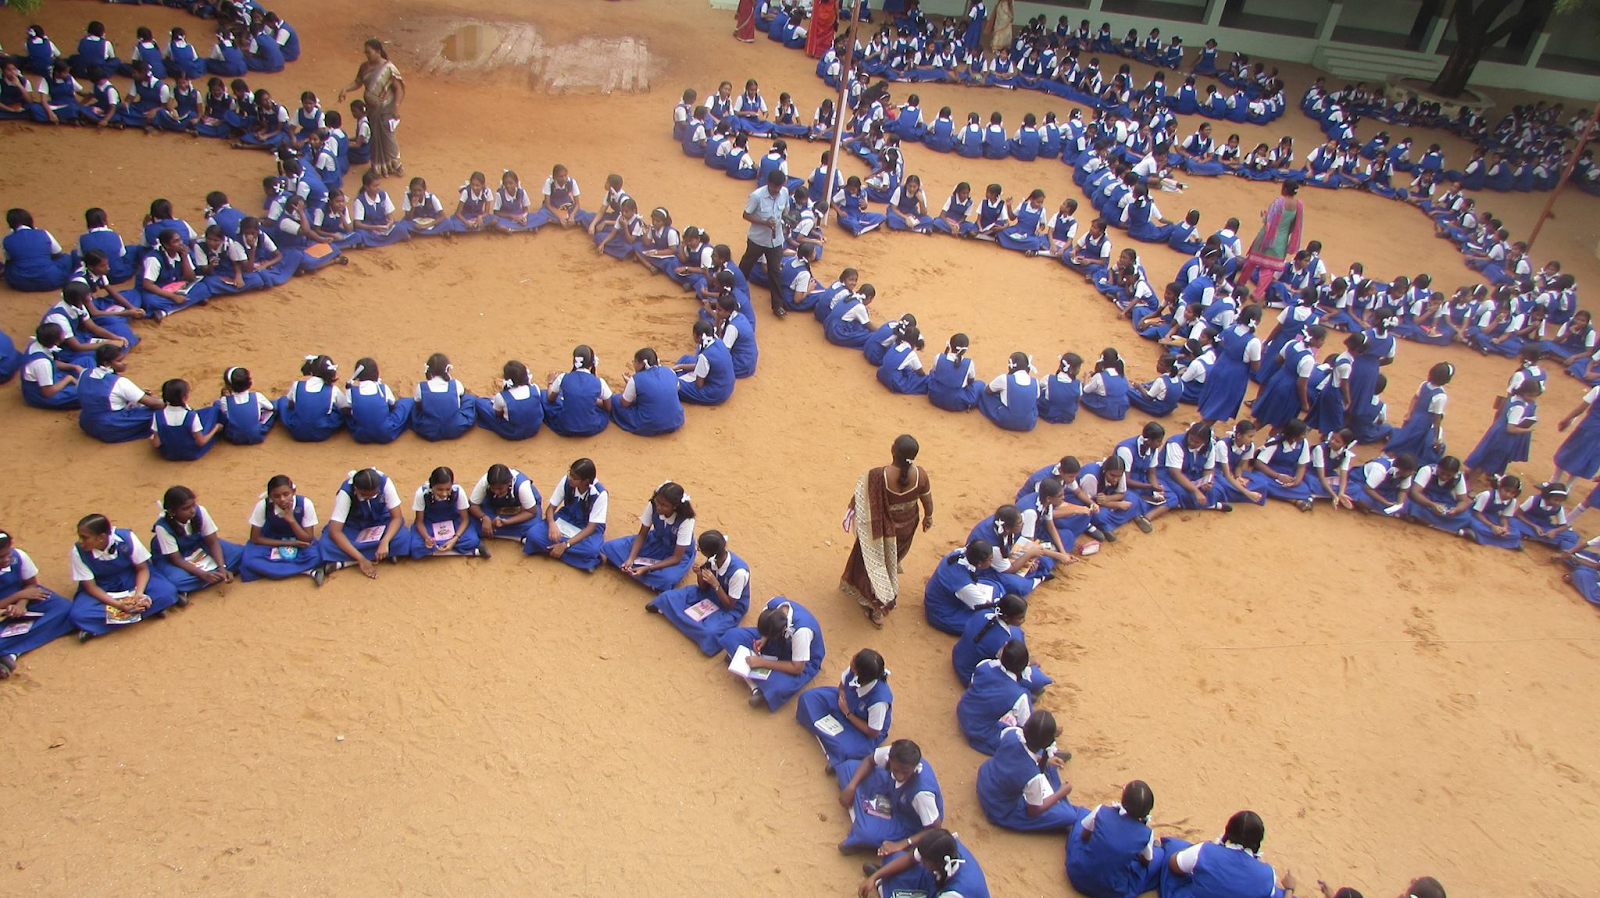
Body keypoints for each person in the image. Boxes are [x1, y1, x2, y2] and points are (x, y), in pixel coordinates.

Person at [841, 435, 934, 627]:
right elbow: (927, 500)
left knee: (872, 564)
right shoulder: (921, 475)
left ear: (893, 452)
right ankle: (881, 603)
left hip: (879, 532)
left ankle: (875, 608)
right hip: (906, 529)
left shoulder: (877, 476)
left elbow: (860, 496)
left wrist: (850, 510)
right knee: (890, 562)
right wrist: (929, 517)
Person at [68, 514, 181, 641]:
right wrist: (118, 605)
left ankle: (99, 626)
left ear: (101, 537)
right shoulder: (78, 551)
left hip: (131, 578)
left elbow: (142, 569)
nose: (80, 541)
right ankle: (149, 610)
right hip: (102, 585)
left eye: (84, 537)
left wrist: (139, 595)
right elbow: (91, 587)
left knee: (167, 591)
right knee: (79, 614)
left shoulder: (127, 538)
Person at [835, 738, 944, 855]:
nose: (900, 776)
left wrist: (902, 844)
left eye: (905, 772)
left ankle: (864, 820)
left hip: (907, 820)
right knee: (848, 768)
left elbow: (935, 828)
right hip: (891, 788)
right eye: (896, 770)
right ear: (890, 760)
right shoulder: (894, 753)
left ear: (915, 767)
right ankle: (864, 817)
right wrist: (851, 787)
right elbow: (870, 760)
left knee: (865, 832)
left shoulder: (921, 795)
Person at [976, 711, 1081, 833]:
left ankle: (1047, 761)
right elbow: (1033, 811)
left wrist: (1044, 760)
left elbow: (1013, 754)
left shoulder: (1012, 733)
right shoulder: (1033, 776)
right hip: (998, 808)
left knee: (1039, 758)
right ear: (1048, 743)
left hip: (985, 779)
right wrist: (1061, 793)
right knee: (1069, 815)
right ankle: (1059, 799)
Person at [648, 530, 750, 654]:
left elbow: (729, 605)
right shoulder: (712, 560)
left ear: (711, 552)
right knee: (666, 597)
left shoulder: (738, 573)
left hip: (729, 607)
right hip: (710, 594)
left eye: (700, 549)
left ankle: (673, 614)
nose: (698, 550)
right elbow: (703, 588)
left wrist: (716, 585)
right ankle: (684, 620)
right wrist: (699, 574)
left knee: (710, 632)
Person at [719, 596, 826, 709]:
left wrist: (762, 662)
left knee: (779, 686)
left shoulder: (802, 631)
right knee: (732, 636)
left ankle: (749, 678)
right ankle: (757, 686)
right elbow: (766, 630)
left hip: (801, 659)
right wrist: (764, 639)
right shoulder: (772, 605)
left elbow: (797, 668)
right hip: (777, 641)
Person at [1158, 810, 1294, 898]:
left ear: (1228, 832)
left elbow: (1174, 865)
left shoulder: (1205, 850)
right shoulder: (1267, 874)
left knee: (1175, 847)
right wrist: (1289, 889)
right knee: (1275, 893)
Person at [796, 647, 892, 769]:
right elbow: (841, 687)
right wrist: (842, 697)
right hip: (845, 704)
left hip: (861, 728)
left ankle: (830, 742)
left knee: (845, 749)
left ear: (860, 673)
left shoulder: (879, 700)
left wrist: (848, 713)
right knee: (807, 698)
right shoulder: (854, 669)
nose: (851, 659)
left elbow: (873, 733)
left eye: (854, 660)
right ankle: (833, 742)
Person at [1067, 780, 1164, 898]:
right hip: (1112, 892)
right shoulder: (1147, 833)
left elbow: (1084, 836)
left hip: (1079, 876)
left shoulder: (1101, 810)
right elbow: (1145, 862)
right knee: (1159, 855)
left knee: (1082, 815)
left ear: (1122, 799)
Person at [313, 468, 414, 581]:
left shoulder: (385, 482)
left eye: (374, 495)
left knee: (403, 536)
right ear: (356, 489)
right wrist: (360, 559)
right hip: (353, 525)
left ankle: (344, 562)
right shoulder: (345, 492)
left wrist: (385, 541)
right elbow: (335, 531)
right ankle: (380, 556)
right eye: (365, 496)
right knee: (326, 543)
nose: (370, 498)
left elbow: (397, 518)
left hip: (380, 520)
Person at [0, 529, 76, 675]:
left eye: (7, 553)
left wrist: (21, 603)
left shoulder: (19, 557)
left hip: (26, 599)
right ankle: (11, 652)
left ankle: (10, 652)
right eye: (1, 557)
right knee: (61, 621)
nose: (6, 559)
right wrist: (17, 597)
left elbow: (31, 585)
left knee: (66, 609)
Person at [599, 482, 697, 591]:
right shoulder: (653, 505)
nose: (658, 507)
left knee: (667, 579)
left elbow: (676, 558)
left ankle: (643, 572)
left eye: (664, 505)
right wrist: (631, 559)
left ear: (675, 506)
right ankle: (649, 580)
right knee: (610, 547)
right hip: (656, 542)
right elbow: (642, 535)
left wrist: (647, 568)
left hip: (676, 553)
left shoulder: (686, 520)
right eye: (658, 502)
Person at [522, 458, 609, 570]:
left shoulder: (600, 494)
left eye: (574, 477)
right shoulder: (566, 481)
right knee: (533, 534)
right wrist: (552, 525)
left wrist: (565, 544)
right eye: (570, 473)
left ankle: (551, 549)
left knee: (591, 550)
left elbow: (591, 528)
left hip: (586, 527)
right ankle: (581, 559)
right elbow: (550, 509)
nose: (570, 478)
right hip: (566, 518)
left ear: (585, 481)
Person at [859, 827, 991, 898]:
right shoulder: (943, 846)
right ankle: (882, 882)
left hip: (950, 891)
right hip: (938, 882)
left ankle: (882, 886)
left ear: (938, 863)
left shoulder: (957, 893)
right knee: (894, 858)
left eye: (925, 861)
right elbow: (909, 859)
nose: (921, 861)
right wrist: (875, 876)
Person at [241, 475, 325, 582]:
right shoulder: (263, 506)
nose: (282, 499)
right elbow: (255, 538)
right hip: (271, 540)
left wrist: (292, 521)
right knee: (249, 560)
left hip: (299, 540)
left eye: (286, 494)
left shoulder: (305, 504)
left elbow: (307, 539)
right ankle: (306, 571)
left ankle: (273, 571)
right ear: (270, 497)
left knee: (316, 556)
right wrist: (289, 543)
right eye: (276, 496)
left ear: (293, 491)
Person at [338, 39, 403, 177]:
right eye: (365, 52)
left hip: (386, 108)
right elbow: (358, 82)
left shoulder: (389, 68)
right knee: (375, 137)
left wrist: (396, 107)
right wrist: (345, 89)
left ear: (378, 51)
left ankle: (396, 164)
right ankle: (379, 167)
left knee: (387, 135)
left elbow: (399, 89)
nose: (367, 55)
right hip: (372, 110)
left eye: (369, 52)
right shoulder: (364, 67)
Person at [957, 641, 1034, 754]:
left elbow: (972, 685)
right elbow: (1026, 726)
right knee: (1018, 738)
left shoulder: (985, 664)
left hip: (963, 713)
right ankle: (1046, 754)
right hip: (979, 733)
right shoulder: (1020, 695)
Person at [740, 171, 791, 317]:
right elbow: (746, 215)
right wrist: (764, 223)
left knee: (775, 272)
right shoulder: (757, 196)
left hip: (776, 240)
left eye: (779, 187)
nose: (777, 190)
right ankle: (733, 293)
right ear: (768, 183)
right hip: (758, 240)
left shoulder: (784, 192)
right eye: (774, 187)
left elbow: (785, 209)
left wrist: (787, 219)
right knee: (745, 267)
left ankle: (778, 306)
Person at [1238, 181, 1304, 288]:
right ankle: (1258, 293)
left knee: (1252, 262)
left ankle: (1241, 283)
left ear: (1285, 189)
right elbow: (1295, 225)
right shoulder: (1299, 206)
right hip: (1281, 240)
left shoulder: (1279, 203)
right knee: (1269, 270)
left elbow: (1269, 220)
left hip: (1266, 237)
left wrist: (1264, 216)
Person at [410, 466, 483, 559]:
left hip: (453, 521)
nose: (444, 494)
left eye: (448, 489)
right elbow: (419, 522)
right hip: (430, 523)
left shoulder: (458, 491)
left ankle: (436, 551)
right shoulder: (422, 493)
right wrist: (427, 538)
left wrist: (455, 538)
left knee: (472, 540)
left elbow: (465, 519)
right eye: (440, 489)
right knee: (416, 545)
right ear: (432, 486)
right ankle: (470, 551)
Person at [612, 347, 686, 436]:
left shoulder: (635, 379)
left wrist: (629, 386)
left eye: (635, 362)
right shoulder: (669, 370)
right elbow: (677, 388)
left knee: (615, 400)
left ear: (641, 364)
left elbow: (624, 403)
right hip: (676, 421)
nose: (634, 364)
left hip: (650, 425)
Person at [544, 345, 613, 437]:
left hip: (565, 427)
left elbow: (551, 399)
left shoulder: (563, 377)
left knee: (544, 395)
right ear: (592, 363)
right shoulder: (600, 382)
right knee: (604, 412)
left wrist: (550, 383)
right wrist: (591, 400)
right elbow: (608, 408)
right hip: (591, 428)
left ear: (574, 361)